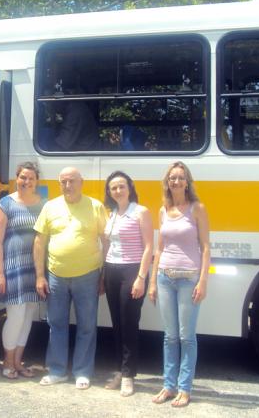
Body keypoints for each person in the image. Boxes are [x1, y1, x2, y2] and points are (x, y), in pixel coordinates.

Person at [33, 167, 108, 390]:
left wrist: (104, 274)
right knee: (56, 324)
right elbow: (39, 242)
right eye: (63, 181)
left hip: (89, 275)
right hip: (56, 275)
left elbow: (107, 241)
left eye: (72, 181)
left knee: (87, 326)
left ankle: (82, 372)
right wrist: (39, 275)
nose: (68, 186)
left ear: (81, 181)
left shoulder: (95, 206)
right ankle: (57, 371)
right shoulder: (50, 206)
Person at [148, 161, 211, 408]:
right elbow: (160, 248)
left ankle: (185, 389)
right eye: (172, 178)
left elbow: (205, 247)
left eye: (180, 178)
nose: (176, 181)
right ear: (167, 182)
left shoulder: (197, 208)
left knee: (187, 337)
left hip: (188, 278)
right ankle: (168, 385)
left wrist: (203, 281)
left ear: (187, 182)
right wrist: (152, 281)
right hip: (165, 277)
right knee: (170, 337)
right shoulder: (163, 210)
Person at [0, 162, 45, 379]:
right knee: (16, 315)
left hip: (35, 267)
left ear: (36, 181)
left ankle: (17, 361)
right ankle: (7, 361)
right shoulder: (5, 203)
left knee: (28, 316)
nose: (26, 182)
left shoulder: (43, 204)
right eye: (23, 177)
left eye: (31, 178)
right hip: (13, 266)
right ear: (17, 178)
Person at [102, 171, 154, 397]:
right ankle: (119, 371)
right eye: (113, 188)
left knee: (129, 322)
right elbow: (107, 247)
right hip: (111, 270)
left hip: (132, 271)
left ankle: (129, 375)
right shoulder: (112, 213)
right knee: (116, 323)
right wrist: (102, 274)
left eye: (121, 186)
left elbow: (149, 247)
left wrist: (141, 277)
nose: (117, 191)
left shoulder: (140, 212)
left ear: (130, 188)